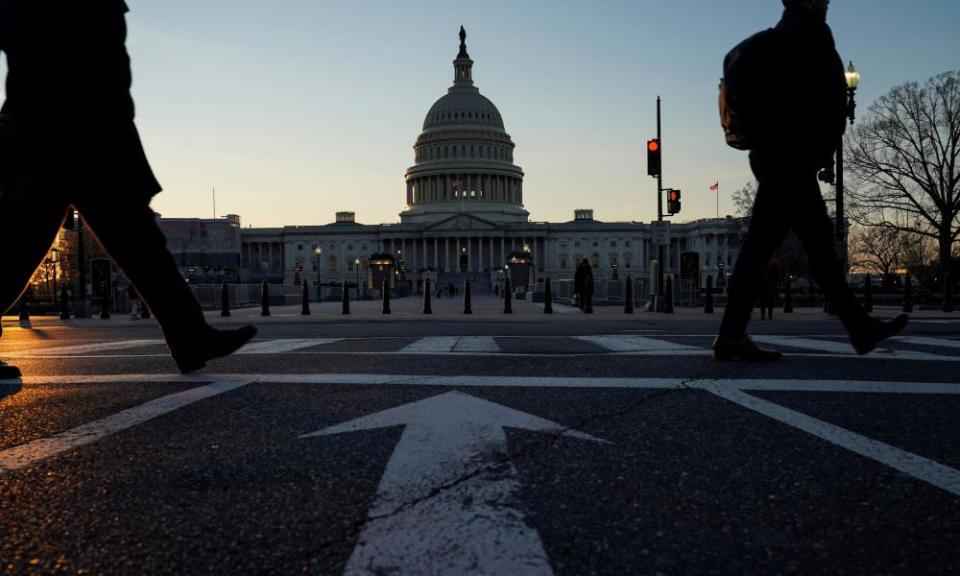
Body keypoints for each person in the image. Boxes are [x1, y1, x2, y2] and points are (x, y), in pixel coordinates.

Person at [0, 0, 256, 378]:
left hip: (79, 135)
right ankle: (190, 337)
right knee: (22, 249)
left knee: (138, 245)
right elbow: (64, 60)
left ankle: (191, 336)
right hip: (65, 134)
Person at [713, 0, 907, 361]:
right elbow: (821, 100)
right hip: (790, 158)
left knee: (815, 247)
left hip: (778, 156)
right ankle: (731, 335)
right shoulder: (808, 36)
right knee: (765, 247)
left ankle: (857, 327)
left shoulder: (774, 41)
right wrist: (818, 147)